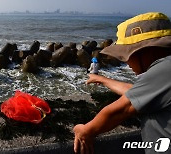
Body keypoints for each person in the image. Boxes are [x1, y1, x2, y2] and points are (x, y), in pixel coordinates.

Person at [73, 12, 171, 154]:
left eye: (127, 54)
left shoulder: (165, 69)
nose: (126, 62)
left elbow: (122, 109)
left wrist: (85, 130)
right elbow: (137, 94)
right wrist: (102, 79)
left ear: (144, 51)